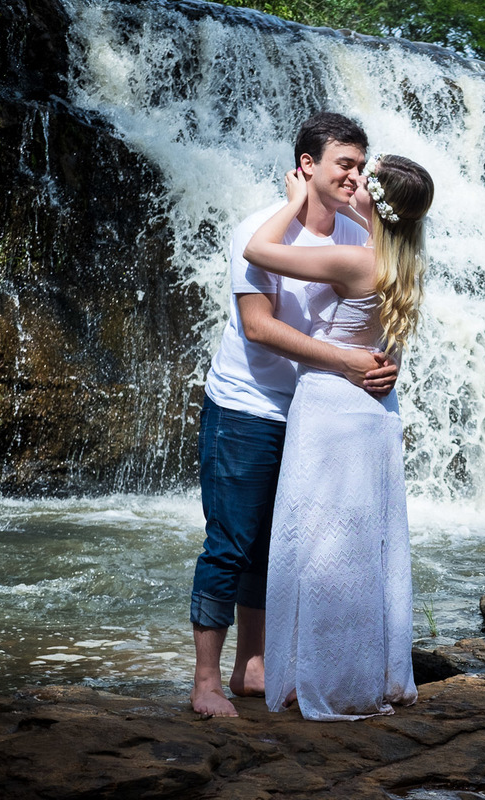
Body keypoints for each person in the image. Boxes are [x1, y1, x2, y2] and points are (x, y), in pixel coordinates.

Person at [190, 112, 397, 718]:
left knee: (274, 548)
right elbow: (259, 328)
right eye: (345, 165)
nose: (357, 177)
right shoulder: (258, 230)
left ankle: (252, 668)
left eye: (362, 166)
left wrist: (383, 367)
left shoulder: (358, 237)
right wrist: (348, 362)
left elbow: (375, 322)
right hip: (247, 404)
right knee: (230, 542)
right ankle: (205, 682)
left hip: (315, 415)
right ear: (308, 166)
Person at [243, 153, 433, 720]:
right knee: (361, 553)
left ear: (375, 200)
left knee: (320, 551)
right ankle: (364, 674)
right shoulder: (406, 265)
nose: (353, 182)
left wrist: (294, 201)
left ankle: (321, 680)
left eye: (364, 177)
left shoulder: (354, 259)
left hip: (330, 410)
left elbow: (256, 250)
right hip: (374, 416)